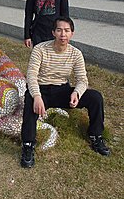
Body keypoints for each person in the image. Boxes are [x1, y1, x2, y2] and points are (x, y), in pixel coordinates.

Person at [21, 17, 110, 168]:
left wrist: (77, 93)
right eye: (59, 30)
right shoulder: (40, 49)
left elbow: (82, 80)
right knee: (30, 101)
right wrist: (36, 96)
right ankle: (28, 145)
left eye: (67, 30)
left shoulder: (76, 54)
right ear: (53, 32)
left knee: (95, 97)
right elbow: (31, 76)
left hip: (62, 90)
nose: (63, 34)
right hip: (41, 89)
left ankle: (96, 136)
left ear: (72, 34)